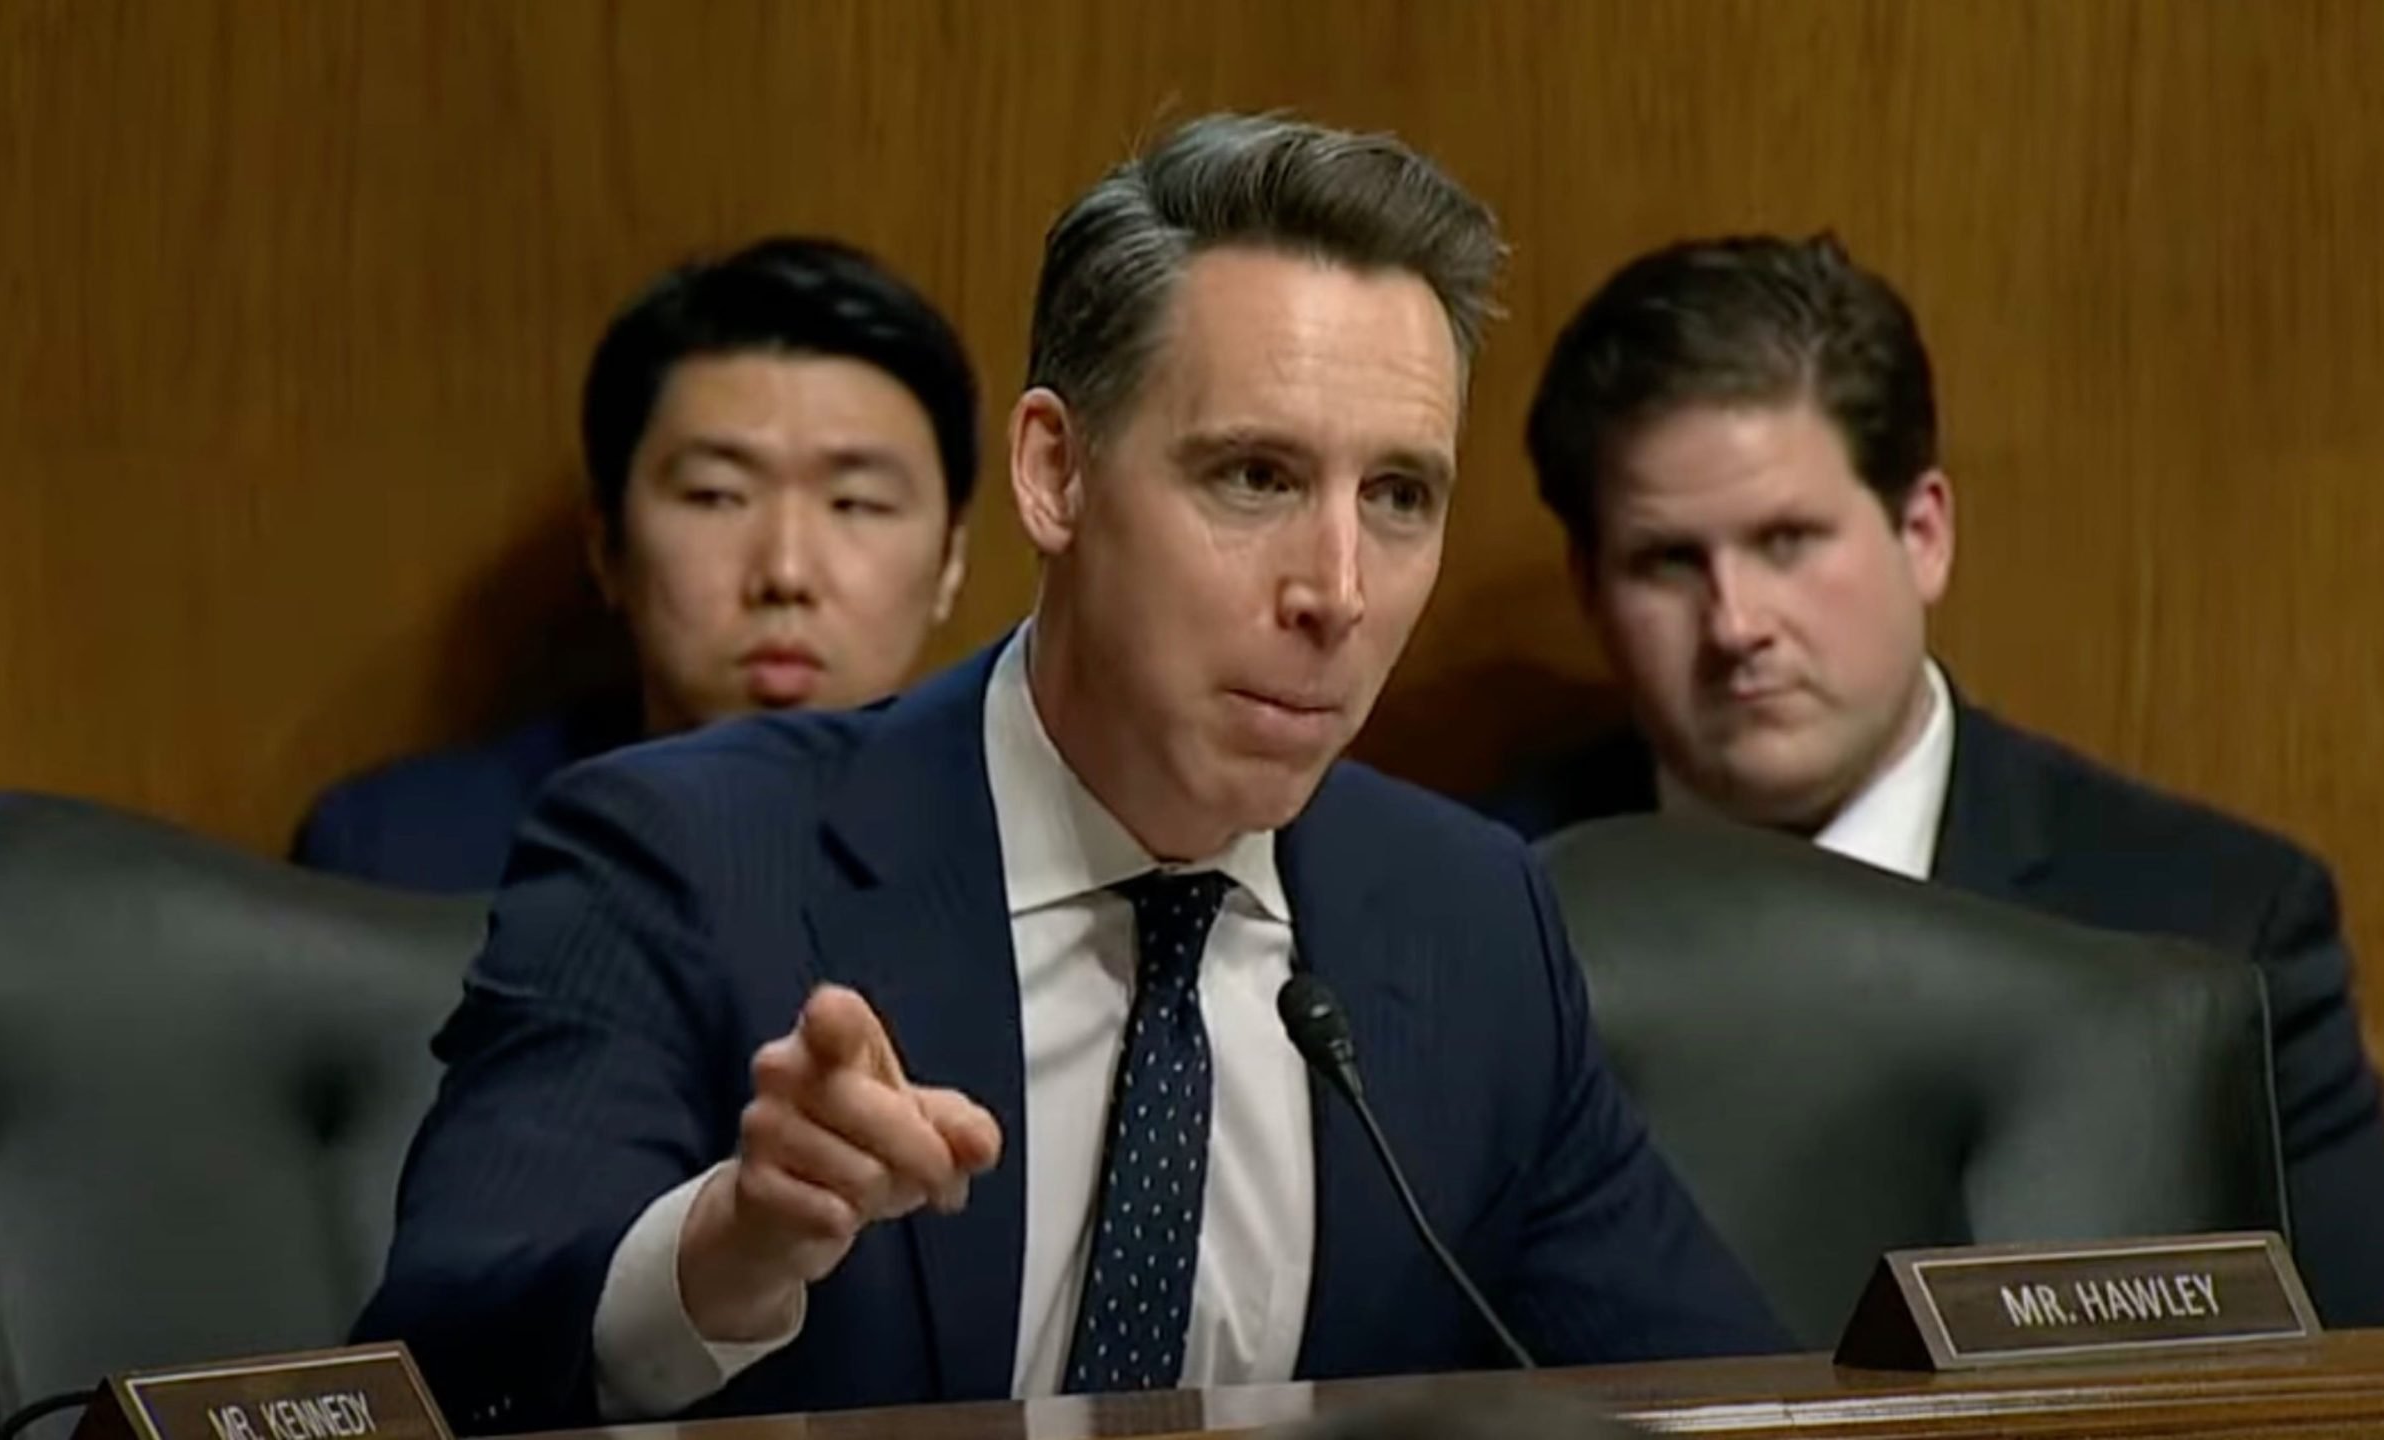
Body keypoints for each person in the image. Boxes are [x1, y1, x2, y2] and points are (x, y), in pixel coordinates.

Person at [353, 115, 1786, 1435]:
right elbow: (434, 1367)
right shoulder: (690, 854)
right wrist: (725, 1255)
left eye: (1399, 498)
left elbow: (1732, 1400)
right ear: (1056, 475)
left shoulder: (1466, 920)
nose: (1338, 591)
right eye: (1256, 479)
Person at [1486, 232, 2384, 1327]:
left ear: (1922, 533)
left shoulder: (2218, 926)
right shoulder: (1474, 910)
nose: (1736, 625)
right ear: (1589, 588)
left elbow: (2361, 1382)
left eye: (1787, 540)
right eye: (1667, 562)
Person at [290, 237, 976, 892]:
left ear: (949, 560)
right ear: (608, 546)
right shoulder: (404, 854)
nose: (786, 573)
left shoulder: (1034, 869)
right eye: (716, 495)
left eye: (856, 503)